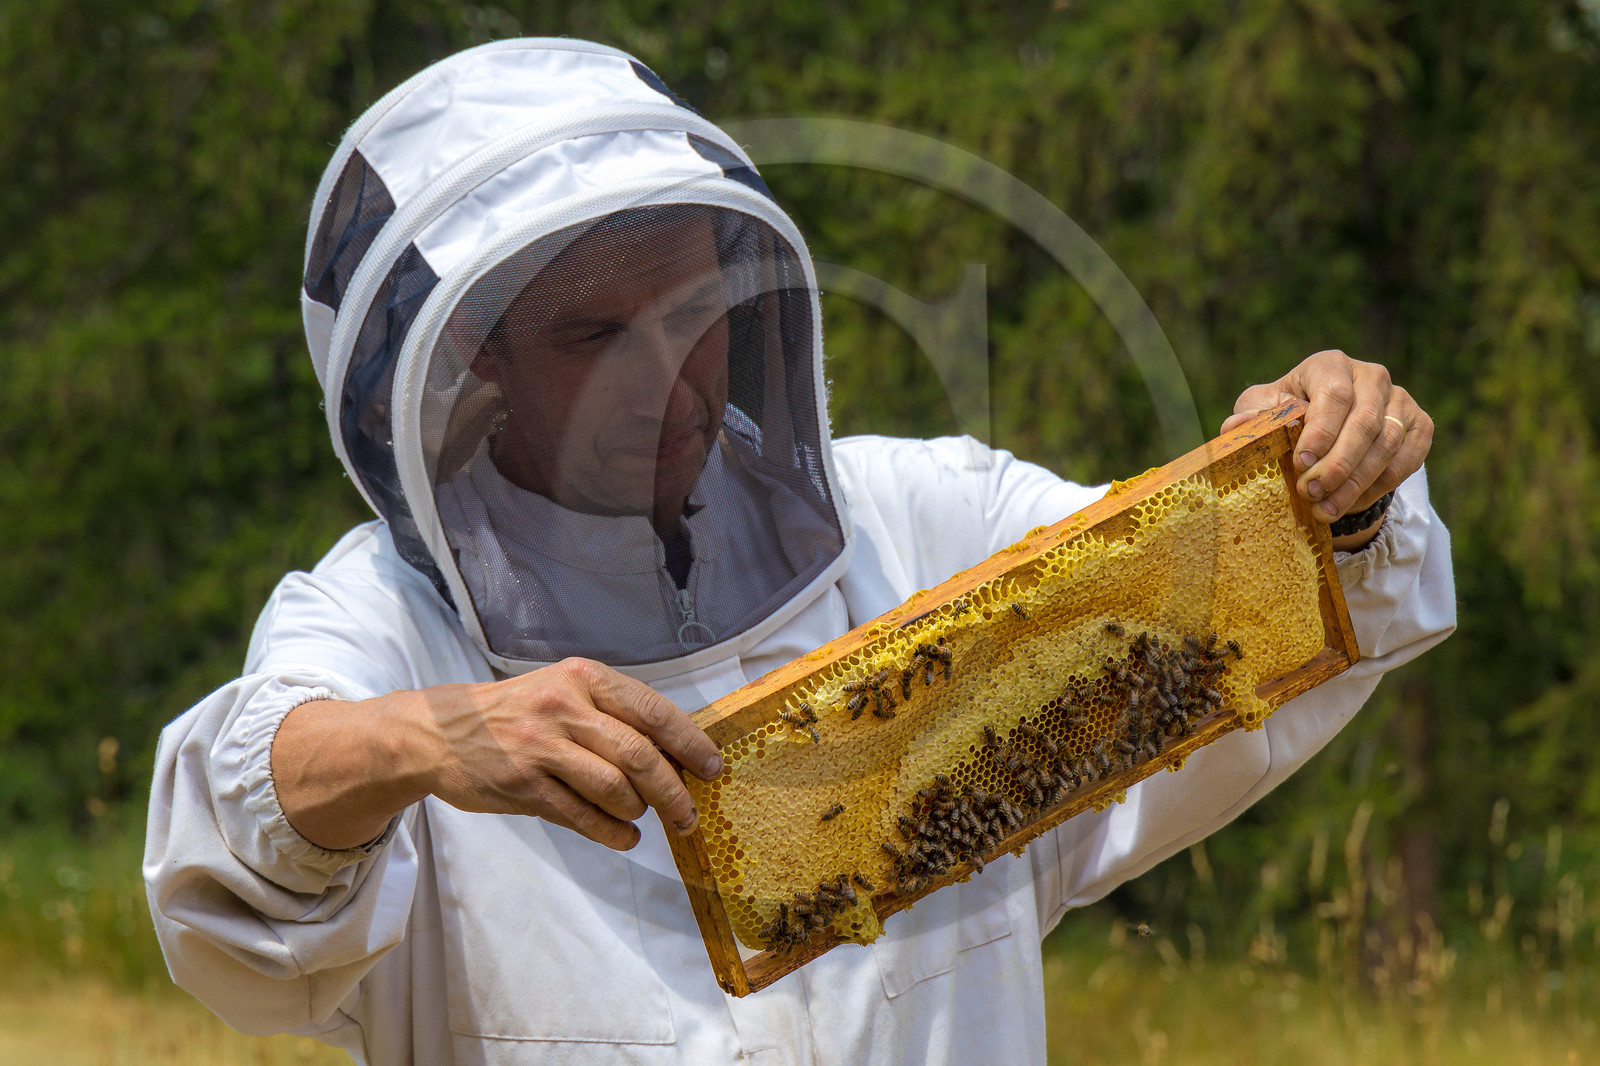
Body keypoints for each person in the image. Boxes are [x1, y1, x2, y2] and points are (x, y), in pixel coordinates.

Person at [143, 38, 1455, 1066]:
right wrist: (428, 743)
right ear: (468, 360)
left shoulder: (914, 523)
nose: (672, 381)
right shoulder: (382, 619)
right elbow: (229, 848)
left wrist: (1318, 484)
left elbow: (1233, 613)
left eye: (697, 309)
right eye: (599, 337)